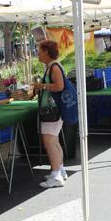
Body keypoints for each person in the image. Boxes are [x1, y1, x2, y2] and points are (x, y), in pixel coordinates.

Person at [32, 40, 67, 188]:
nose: (37, 54)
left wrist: (42, 86)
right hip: (54, 110)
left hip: (52, 110)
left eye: (39, 50)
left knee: (50, 143)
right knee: (54, 141)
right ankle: (59, 170)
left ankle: (56, 176)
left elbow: (59, 86)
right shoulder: (52, 66)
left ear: (46, 51)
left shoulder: (54, 66)